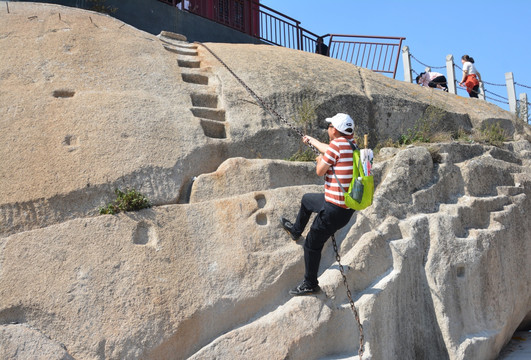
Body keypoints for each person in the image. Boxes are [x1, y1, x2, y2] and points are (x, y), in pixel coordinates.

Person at [281, 113, 356, 296]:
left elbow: (320, 171)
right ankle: (296, 230)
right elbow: (328, 149)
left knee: (312, 245)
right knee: (307, 200)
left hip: (333, 210)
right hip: (344, 207)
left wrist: (319, 160)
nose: (328, 128)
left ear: (335, 130)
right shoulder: (351, 146)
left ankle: (310, 284)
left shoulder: (337, 146)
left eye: (330, 126)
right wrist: (311, 141)